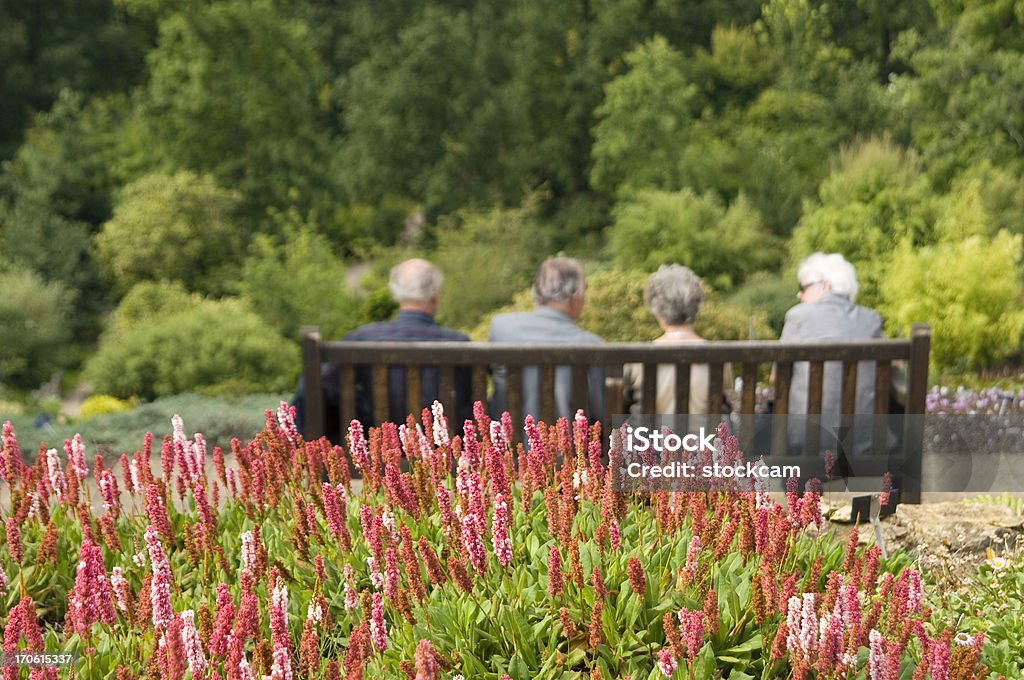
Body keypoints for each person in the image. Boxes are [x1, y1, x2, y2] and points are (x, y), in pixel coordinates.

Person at [293, 258, 470, 441]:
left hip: (377, 458)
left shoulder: (363, 338)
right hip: (446, 460)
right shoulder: (458, 342)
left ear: (395, 293)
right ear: (435, 294)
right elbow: (469, 403)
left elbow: (314, 384)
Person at [779, 252, 885, 454]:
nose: (799, 295)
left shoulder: (797, 316)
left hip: (805, 444)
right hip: (863, 445)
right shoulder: (871, 319)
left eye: (803, 288)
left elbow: (778, 379)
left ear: (824, 285)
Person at [488, 257, 604, 420]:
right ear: (576, 296)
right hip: (569, 445)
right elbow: (602, 413)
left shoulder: (501, 328)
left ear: (536, 292)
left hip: (509, 444)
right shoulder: (593, 345)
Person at [622, 264, 733, 414]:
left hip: (651, 437)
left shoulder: (638, 359)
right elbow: (726, 404)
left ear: (657, 310)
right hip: (706, 437)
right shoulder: (720, 358)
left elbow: (621, 407)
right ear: (696, 308)